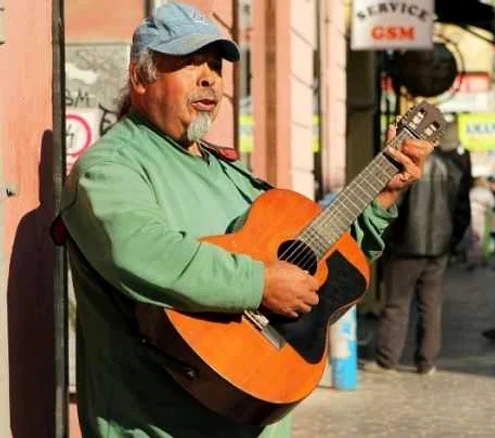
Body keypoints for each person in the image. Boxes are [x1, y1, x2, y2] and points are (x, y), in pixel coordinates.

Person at [53, 4, 434, 438]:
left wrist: (382, 195)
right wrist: (260, 283)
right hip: (157, 426)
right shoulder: (111, 167)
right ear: (141, 78)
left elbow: (322, 264)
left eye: (215, 65)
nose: (209, 78)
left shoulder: (228, 170)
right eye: (188, 62)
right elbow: (142, 251)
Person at [367, 142, 472, 375]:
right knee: (431, 306)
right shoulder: (453, 167)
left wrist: (388, 239)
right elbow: (463, 211)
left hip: (406, 245)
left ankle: (387, 359)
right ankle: (427, 362)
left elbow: (392, 204)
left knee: (397, 304)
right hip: (439, 247)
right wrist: (450, 241)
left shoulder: (410, 163)